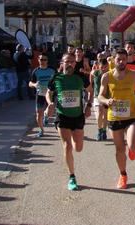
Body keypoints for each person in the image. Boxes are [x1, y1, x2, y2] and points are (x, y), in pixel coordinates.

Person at [98, 48, 135, 189]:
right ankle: (123, 175)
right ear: (114, 60)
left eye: (124, 59)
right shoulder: (106, 76)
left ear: (127, 60)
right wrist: (106, 101)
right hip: (114, 116)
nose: (121, 62)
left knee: (134, 146)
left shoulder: (134, 74)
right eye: (118, 59)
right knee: (119, 150)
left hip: (131, 115)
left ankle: (132, 149)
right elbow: (100, 95)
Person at [45, 53, 93, 191]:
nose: (69, 64)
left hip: (78, 116)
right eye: (67, 62)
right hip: (62, 116)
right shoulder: (56, 78)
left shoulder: (80, 77)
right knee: (67, 146)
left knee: (78, 148)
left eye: (72, 62)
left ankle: (74, 141)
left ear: (74, 64)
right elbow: (49, 92)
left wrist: (89, 106)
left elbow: (90, 91)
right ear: (62, 63)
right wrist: (50, 104)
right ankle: (72, 177)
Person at [29, 53, 55, 137]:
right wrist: (34, 85)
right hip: (40, 94)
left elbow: (58, 79)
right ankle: (41, 130)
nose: (43, 61)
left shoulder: (52, 70)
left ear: (47, 61)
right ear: (38, 60)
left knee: (49, 112)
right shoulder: (36, 71)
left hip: (50, 94)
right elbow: (30, 83)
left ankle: (46, 116)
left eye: (44, 60)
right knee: (38, 114)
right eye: (41, 59)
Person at [90, 59, 109, 141]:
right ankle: (99, 130)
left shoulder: (109, 74)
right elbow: (90, 74)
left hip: (107, 97)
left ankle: (104, 131)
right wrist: (90, 84)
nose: (104, 69)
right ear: (98, 66)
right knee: (99, 114)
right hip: (97, 96)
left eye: (105, 67)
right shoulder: (96, 72)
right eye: (102, 67)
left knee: (105, 115)